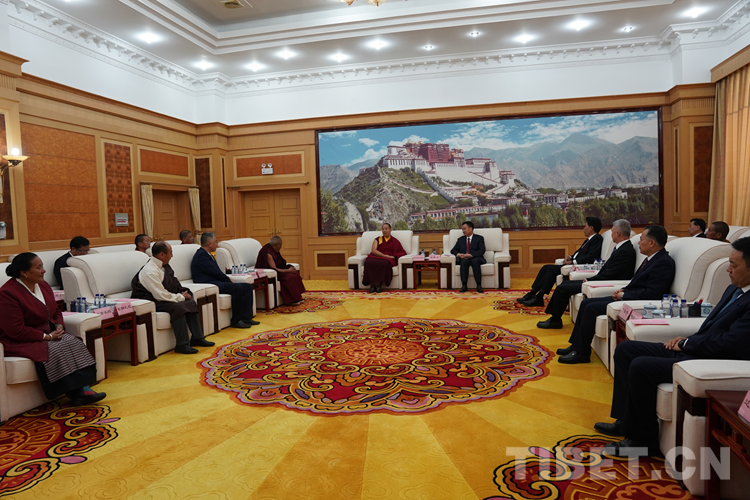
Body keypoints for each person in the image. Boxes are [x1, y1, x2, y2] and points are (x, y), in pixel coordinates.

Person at [595, 236, 750, 457]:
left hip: (709, 360)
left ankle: (642, 441)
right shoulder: (734, 290)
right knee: (626, 349)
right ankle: (625, 421)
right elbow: (712, 327)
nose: (728, 269)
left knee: (641, 366)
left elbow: (731, 343)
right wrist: (685, 339)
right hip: (695, 348)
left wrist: (687, 343)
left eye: (733, 265)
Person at [557, 225, 676, 364]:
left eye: (641, 239)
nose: (638, 242)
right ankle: (576, 346)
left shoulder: (663, 263)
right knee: (586, 303)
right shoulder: (651, 259)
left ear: (651, 243)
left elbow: (653, 293)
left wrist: (624, 296)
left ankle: (581, 353)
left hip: (636, 302)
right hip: (628, 297)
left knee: (591, 308)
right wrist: (623, 290)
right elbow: (637, 282)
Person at [0, 253, 106, 406]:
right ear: (24, 273)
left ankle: (83, 387)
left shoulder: (43, 285)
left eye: (42, 266)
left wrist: (59, 325)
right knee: (55, 348)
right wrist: (47, 337)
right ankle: (76, 392)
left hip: (48, 332)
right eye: (39, 268)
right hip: (20, 339)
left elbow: (55, 311)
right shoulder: (7, 293)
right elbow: (16, 330)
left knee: (73, 341)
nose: (44, 271)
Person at [537, 219, 636, 329]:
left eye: (612, 231)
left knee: (562, 288)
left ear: (617, 233)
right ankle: (554, 318)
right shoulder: (621, 248)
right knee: (563, 285)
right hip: (600, 279)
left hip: (605, 283)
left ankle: (555, 320)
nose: (611, 234)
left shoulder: (625, 251)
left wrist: (590, 280)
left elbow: (610, 275)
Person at [131, 241, 214, 354]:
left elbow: (174, 283)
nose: (172, 256)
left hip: (161, 297)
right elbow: (160, 295)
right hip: (150, 300)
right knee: (178, 307)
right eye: (170, 253)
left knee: (190, 302)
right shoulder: (150, 271)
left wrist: (183, 291)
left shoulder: (164, 265)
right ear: (162, 255)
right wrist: (180, 297)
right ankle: (182, 344)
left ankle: (197, 337)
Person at [518, 217, 603, 307]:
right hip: (573, 264)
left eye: (585, 226)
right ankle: (532, 293)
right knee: (545, 267)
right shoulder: (588, 240)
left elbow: (591, 257)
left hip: (579, 267)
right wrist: (570, 257)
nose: (583, 229)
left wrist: (573, 262)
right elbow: (579, 253)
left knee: (551, 270)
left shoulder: (597, 239)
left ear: (591, 228)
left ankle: (539, 297)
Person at [191, 232, 259, 329]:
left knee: (247, 287)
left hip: (216, 281)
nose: (217, 244)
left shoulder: (208, 254)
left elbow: (216, 272)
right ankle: (236, 320)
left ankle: (246, 317)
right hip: (208, 283)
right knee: (237, 288)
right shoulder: (201, 256)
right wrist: (227, 280)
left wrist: (227, 279)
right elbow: (215, 272)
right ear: (209, 244)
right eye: (215, 241)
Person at [257, 235, 306, 305]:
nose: (281, 247)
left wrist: (289, 269)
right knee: (289, 277)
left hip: (278, 270)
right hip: (271, 274)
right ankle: (292, 300)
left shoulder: (273, 250)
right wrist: (287, 271)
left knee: (295, 273)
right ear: (274, 246)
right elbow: (274, 268)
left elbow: (280, 263)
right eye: (280, 245)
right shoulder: (268, 253)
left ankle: (297, 296)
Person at [361, 223, 406, 293]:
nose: (384, 230)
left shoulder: (395, 241)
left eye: (386, 229)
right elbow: (373, 251)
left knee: (384, 263)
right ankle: (372, 285)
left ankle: (379, 285)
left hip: (386, 259)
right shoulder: (378, 239)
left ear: (390, 230)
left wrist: (393, 256)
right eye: (383, 229)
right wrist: (385, 256)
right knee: (368, 262)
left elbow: (402, 252)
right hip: (377, 256)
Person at [450, 221, 486, 293]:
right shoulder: (460, 240)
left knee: (475, 261)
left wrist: (471, 255)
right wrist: (458, 254)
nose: (463, 231)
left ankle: (479, 285)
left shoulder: (479, 238)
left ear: (470, 229)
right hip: (464, 258)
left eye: (464, 229)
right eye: (462, 229)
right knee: (463, 261)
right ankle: (464, 285)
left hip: (476, 257)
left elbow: (482, 250)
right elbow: (453, 250)